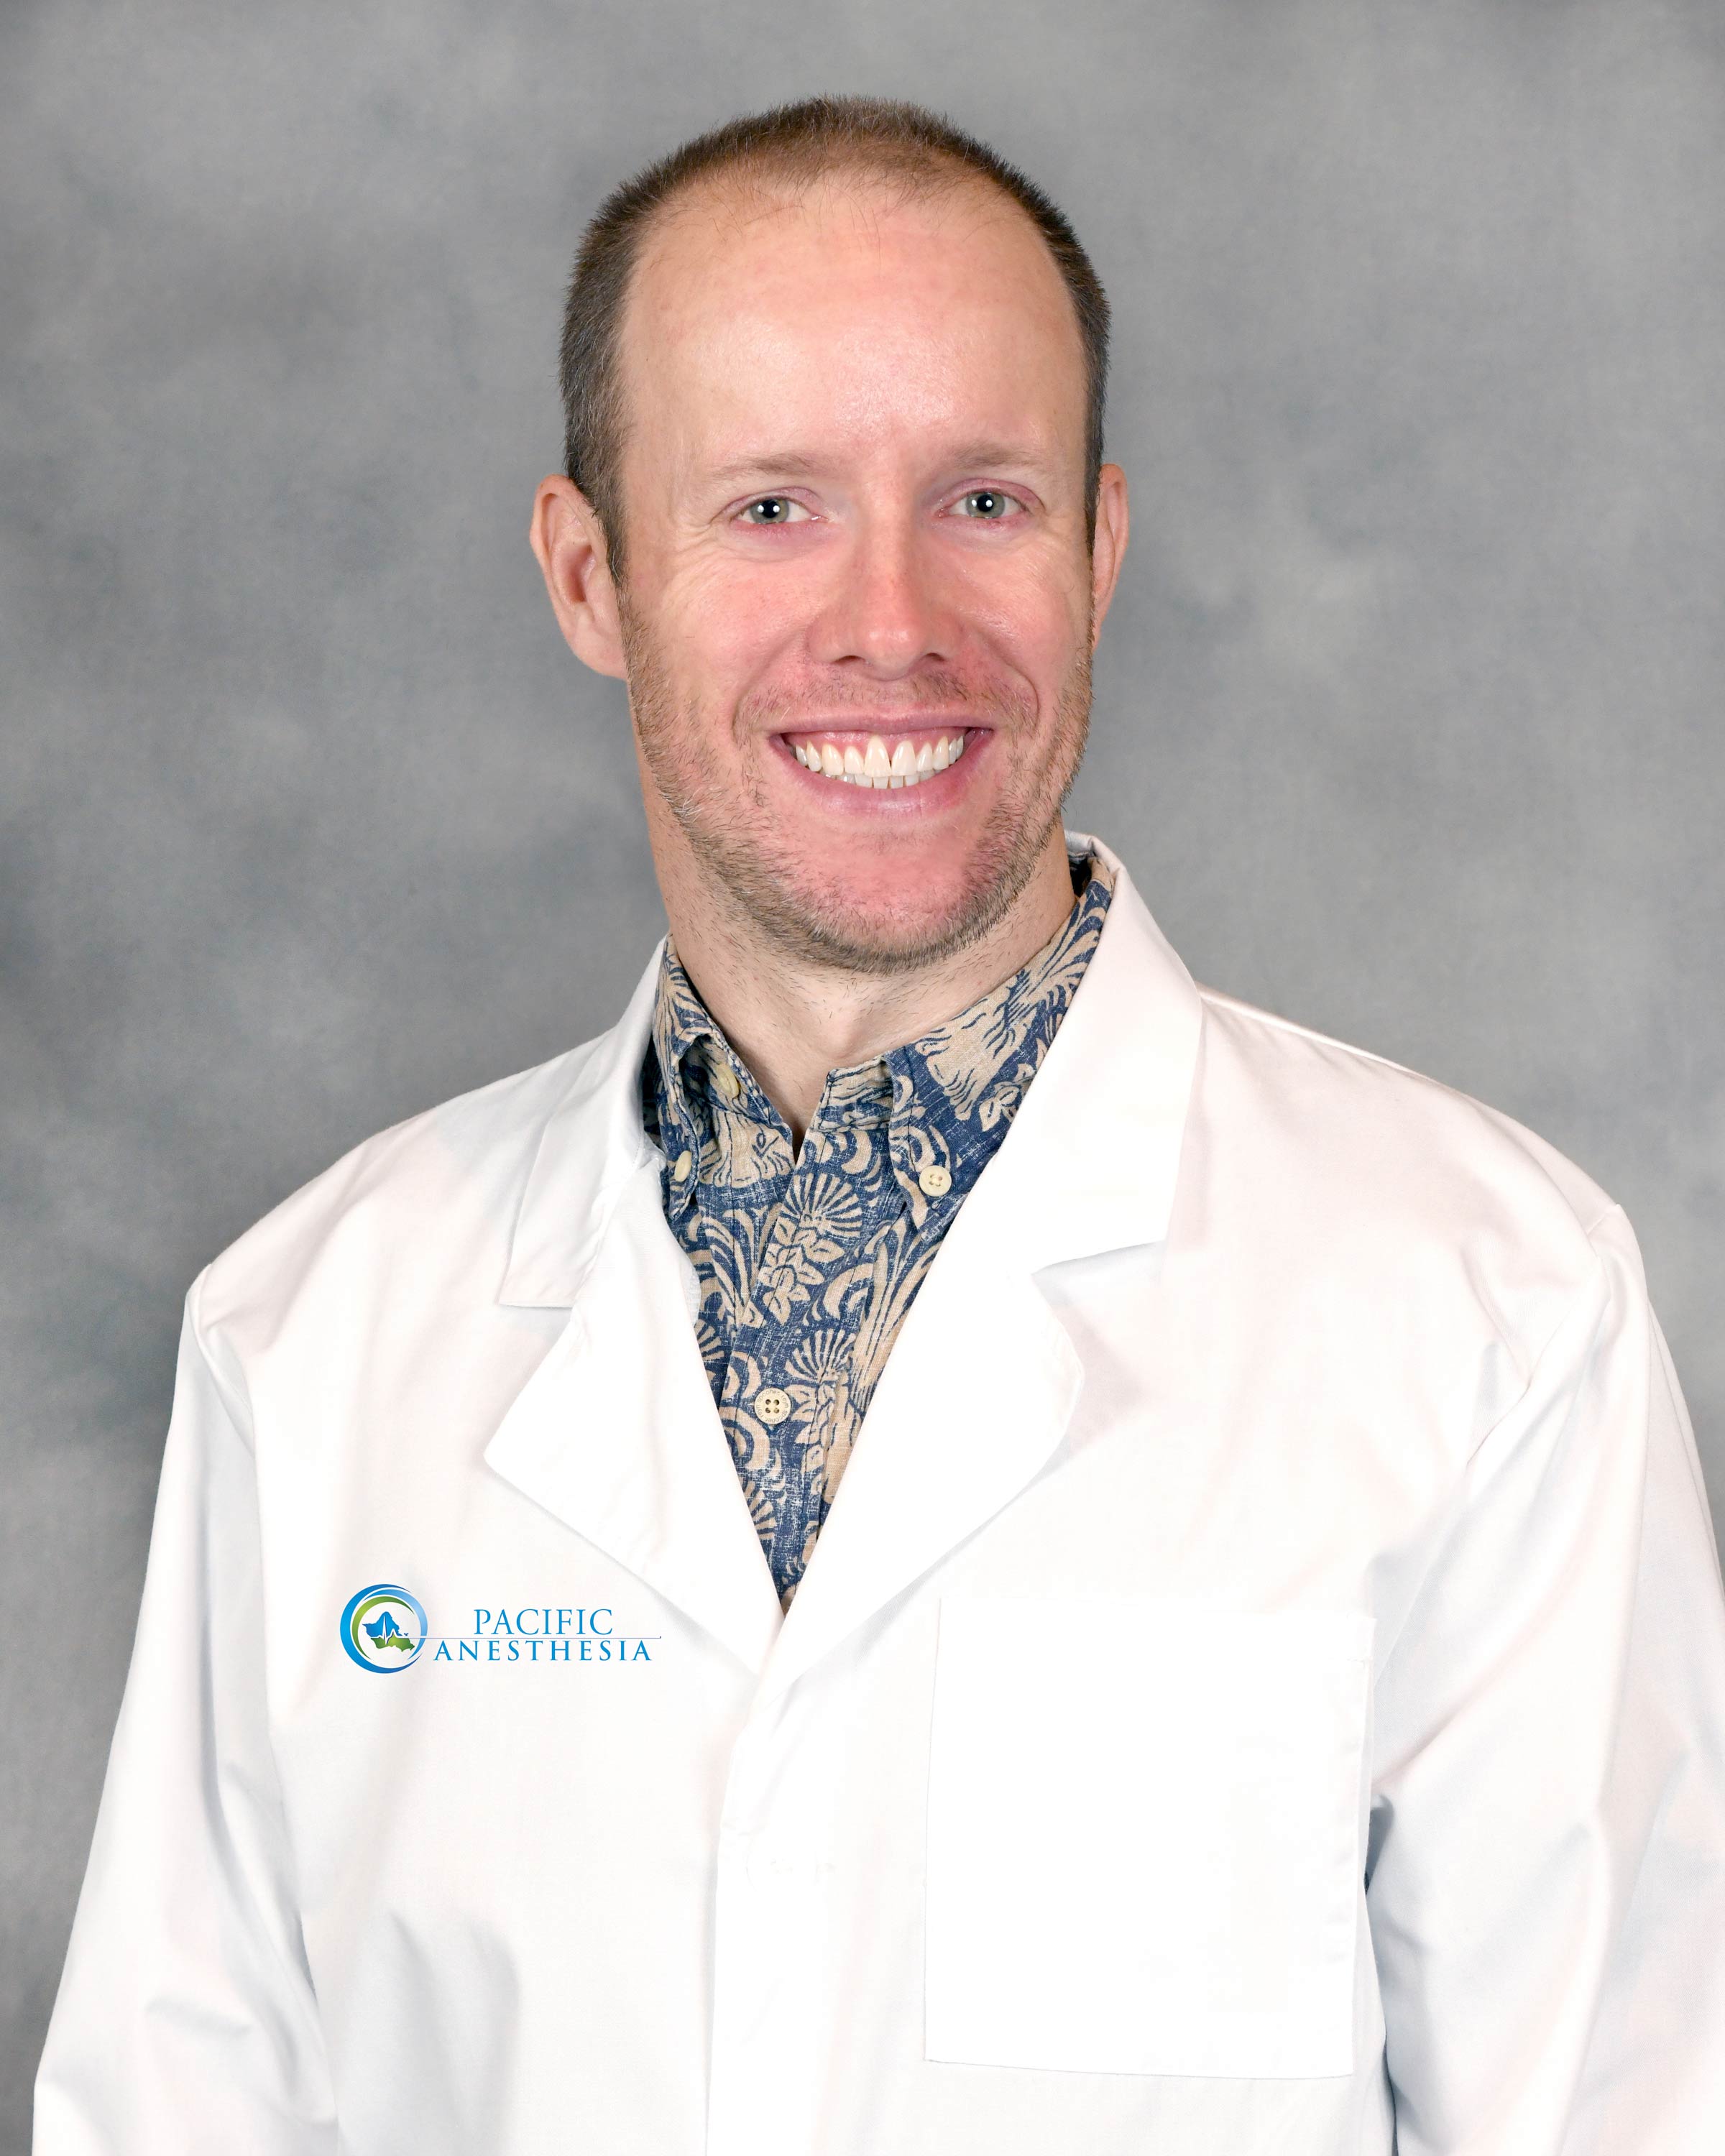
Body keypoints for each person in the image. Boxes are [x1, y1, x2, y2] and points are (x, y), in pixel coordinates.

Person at [34, 94, 1725, 2156]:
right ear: (591, 572)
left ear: (1101, 550)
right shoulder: (308, 1344)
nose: (893, 622)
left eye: (985, 501)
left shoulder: (1490, 1316)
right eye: (771, 509)